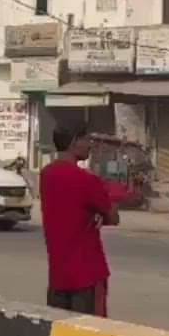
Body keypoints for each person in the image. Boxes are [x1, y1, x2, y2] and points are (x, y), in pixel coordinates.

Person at [38, 126, 119, 317]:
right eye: (87, 140)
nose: (90, 146)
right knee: (92, 333)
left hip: (58, 274)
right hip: (87, 273)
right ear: (74, 142)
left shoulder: (46, 174)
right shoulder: (87, 180)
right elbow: (113, 217)